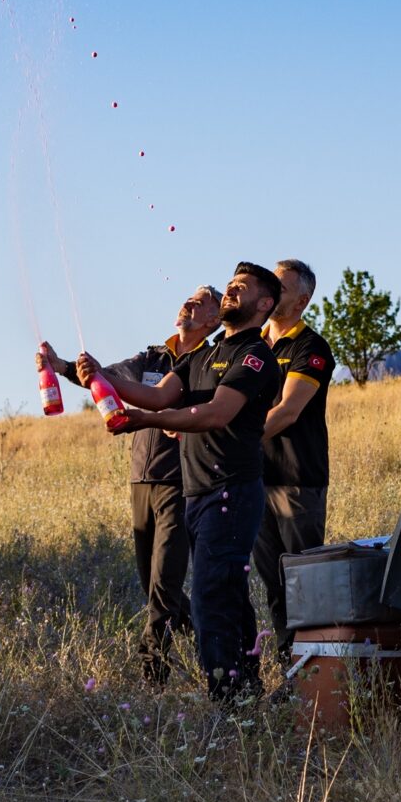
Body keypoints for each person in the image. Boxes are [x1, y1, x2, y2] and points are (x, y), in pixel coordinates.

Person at [80, 262, 281, 700]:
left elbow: (216, 413)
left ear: (264, 304)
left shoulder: (255, 356)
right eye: (229, 286)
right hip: (197, 492)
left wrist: (144, 421)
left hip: (231, 490)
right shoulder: (198, 357)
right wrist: (100, 377)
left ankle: (227, 699)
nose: (230, 292)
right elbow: (156, 394)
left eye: (240, 289)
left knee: (211, 597)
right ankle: (247, 687)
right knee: (228, 591)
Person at [37, 285, 222, 683]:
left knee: (164, 583)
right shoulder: (152, 355)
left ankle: (152, 673)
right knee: (150, 583)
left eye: (200, 302)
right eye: (187, 298)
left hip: (181, 482)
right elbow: (108, 379)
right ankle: (208, 637)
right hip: (141, 480)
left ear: (214, 320)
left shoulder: (209, 361)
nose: (188, 303)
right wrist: (65, 366)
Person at [253, 259, 336, 659]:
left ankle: (314, 671)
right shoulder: (249, 345)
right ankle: (290, 665)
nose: (269, 293)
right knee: (272, 583)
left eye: (279, 288)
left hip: (296, 480)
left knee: (302, 582)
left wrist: (236, 441)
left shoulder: (311, 347)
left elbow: (288, 411)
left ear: (302, 300)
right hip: (254, 479)